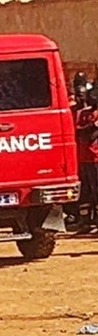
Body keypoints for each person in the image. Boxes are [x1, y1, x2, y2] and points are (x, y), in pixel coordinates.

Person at [76, 95, 98, 233]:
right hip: (84, 158)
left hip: (95, 157)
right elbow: (78, 131)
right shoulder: (82, 113)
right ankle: (85, 221)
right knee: (86, 192)